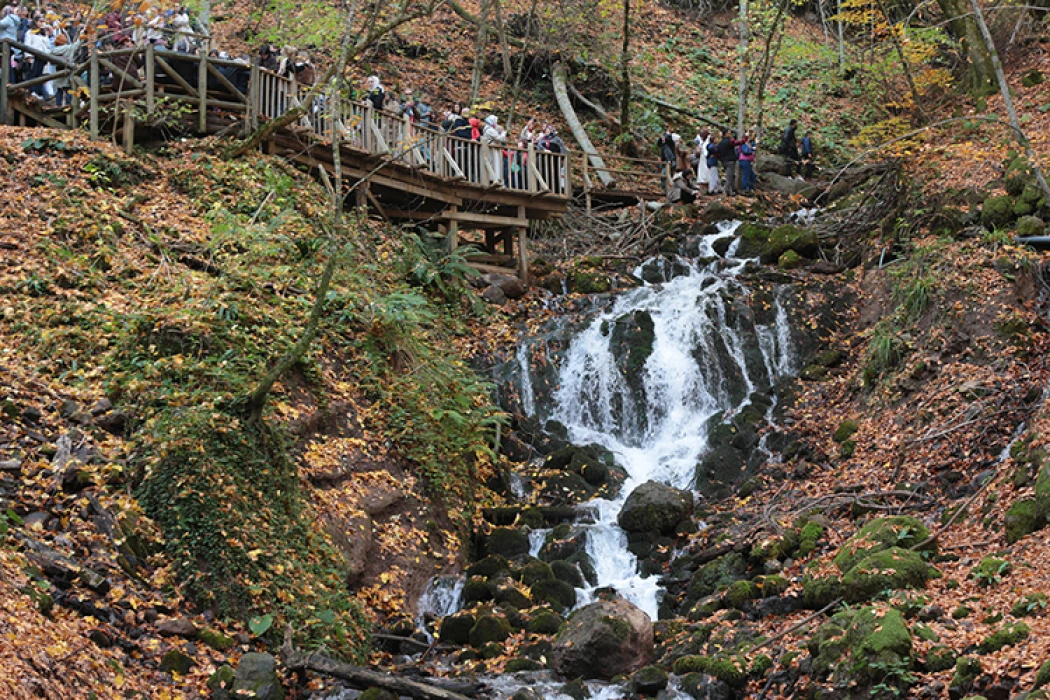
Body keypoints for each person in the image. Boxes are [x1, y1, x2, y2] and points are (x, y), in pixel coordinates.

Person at [50, 32, 78, 106]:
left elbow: (51, 63)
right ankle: (68, 105)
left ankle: (58, 105)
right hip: (67, 71)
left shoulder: (53, 51)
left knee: (59, 90)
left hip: (58, 72)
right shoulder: (68, 48)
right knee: (68, 89)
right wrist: (81, 36)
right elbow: (77, 45)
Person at [716, 129, 744, 197]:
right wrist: (745, 138)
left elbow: (718, 153)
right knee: (729, 176)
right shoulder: (729, 141)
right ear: (725, 134)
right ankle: (726, 190)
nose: (730, 134)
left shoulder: (720, 144)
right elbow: (738, 143)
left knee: (731, 176)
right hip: (730, 161)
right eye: (729, 133)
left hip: (724, 161)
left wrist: (721, 158)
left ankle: (732, 190)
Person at [481, 114, 507, 184]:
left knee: (494, 163)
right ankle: (494, 178)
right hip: (493, 149)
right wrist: (503, 133)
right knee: (494, 163)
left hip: (493, 149)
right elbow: (499, 138)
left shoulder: (488, 128)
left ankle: (494, 178)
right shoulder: (490, 130)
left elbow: (496, 129)